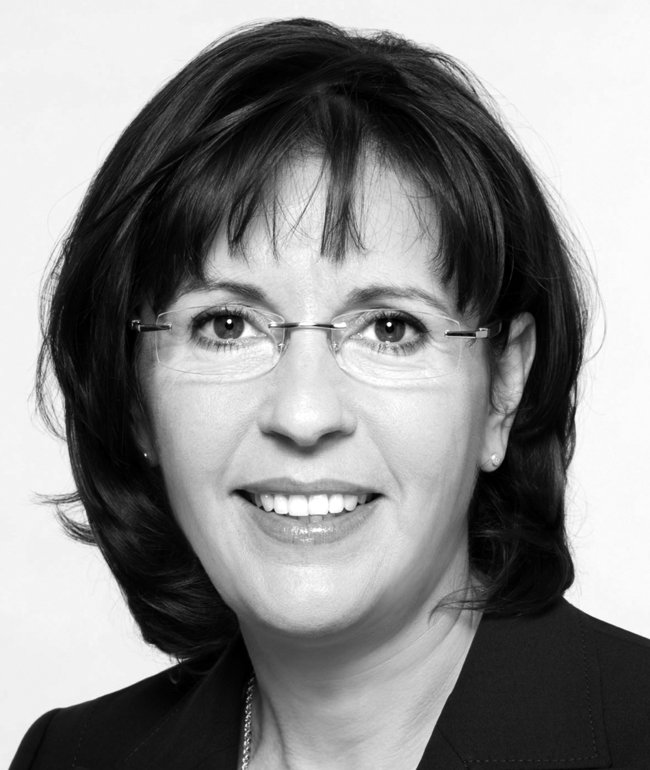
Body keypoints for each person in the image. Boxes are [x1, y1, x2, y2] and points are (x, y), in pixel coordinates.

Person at [10, 17, 650, 770]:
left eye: (389, 328)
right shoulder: (67, 757)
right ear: (133, 394)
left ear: (503, 387)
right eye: (226, 325)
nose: (304, 415)